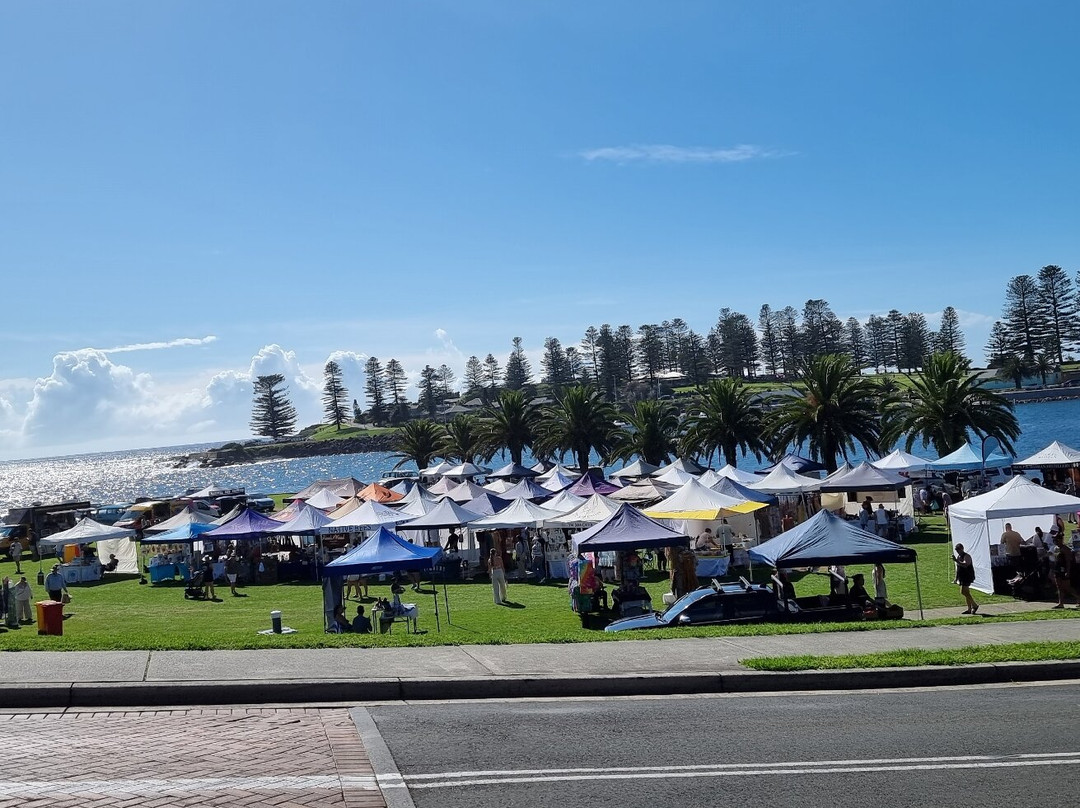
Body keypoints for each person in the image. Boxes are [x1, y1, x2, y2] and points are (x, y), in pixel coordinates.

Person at [1050, 532, 1080, 609]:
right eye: (1054, 540)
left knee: (1067, 587)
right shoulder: (1056, 548)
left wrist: (1068, 571)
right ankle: (1061, 603)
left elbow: (1068, 562)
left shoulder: (1066, 549)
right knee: (1059, 587)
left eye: (1056, 539)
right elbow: (1055, 558)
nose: (1055, 541)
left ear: (1060, 540)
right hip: (1057, 569)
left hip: (1064, 570)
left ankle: (1078, 598)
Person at [953, 543, 978, 615]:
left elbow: (965, 565)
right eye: (956, 550)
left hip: (967, 576)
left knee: (963, 592)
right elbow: (958, 568)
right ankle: (969, 609)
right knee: (966, 593)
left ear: (962, 549)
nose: (957, 551)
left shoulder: (967, 556)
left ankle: (975, 605)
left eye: (958, 549)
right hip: (962, 576)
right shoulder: (958, 556)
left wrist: (956, 560)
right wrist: (956, 578)